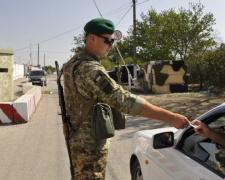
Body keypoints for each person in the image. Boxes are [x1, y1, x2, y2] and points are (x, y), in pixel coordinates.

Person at [62, 18, 190, 180]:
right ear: (92, 38)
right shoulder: (89, 69)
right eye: (108, 40)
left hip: (78, 139)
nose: (111, 46)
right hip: (89, 146)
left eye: (113, 41)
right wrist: (170, 116)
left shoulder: (72, 63)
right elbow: (123, 100)